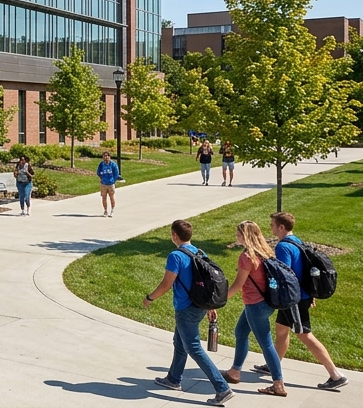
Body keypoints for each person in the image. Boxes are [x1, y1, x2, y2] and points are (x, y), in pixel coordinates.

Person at [142, 219, 233, 405]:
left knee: (193, 347)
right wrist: (210, 307)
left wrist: (150, 298)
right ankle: (173, 379)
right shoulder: (199, 252)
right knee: (180, 342)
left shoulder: (175, 256)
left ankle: (222, 388)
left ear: (174, 235)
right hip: (200, 305)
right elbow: (208, 283)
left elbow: (167, 283)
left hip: (186, 308)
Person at [258, 212, 348, 390]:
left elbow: (285, 274)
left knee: (304, 334)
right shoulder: (297, 241)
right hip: (301, 296)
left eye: (272, 225)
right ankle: (273, 365)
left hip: (294, 299)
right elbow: (304, 270)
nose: (271, 228)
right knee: (281, 330)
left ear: (281, 227)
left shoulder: (283, 247)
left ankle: (335, 375)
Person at [221, 220, 286, 396]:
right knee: (240, 332)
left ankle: (278, 384)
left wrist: (216, 301)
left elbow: (237, 285)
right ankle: (234, 372)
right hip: (266, 303)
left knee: (266, 344)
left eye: (238, 234)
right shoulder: (265, 252)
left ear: (245, 236)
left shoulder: (247, 257)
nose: (236, 236)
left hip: (255, 305)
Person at [97, 151, 121, 217]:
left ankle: (112, 210)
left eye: (107, 156)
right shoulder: (101, 164)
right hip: (103, 184)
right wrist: (101, 178)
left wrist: (113, 180)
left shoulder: (113, 165)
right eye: (104, 156)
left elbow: (116, 174)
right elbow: (98, 172)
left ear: (109, 157)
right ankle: (105, 211)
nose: (106, 157)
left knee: (111, 197)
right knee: (104, 197)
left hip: (111, 184)